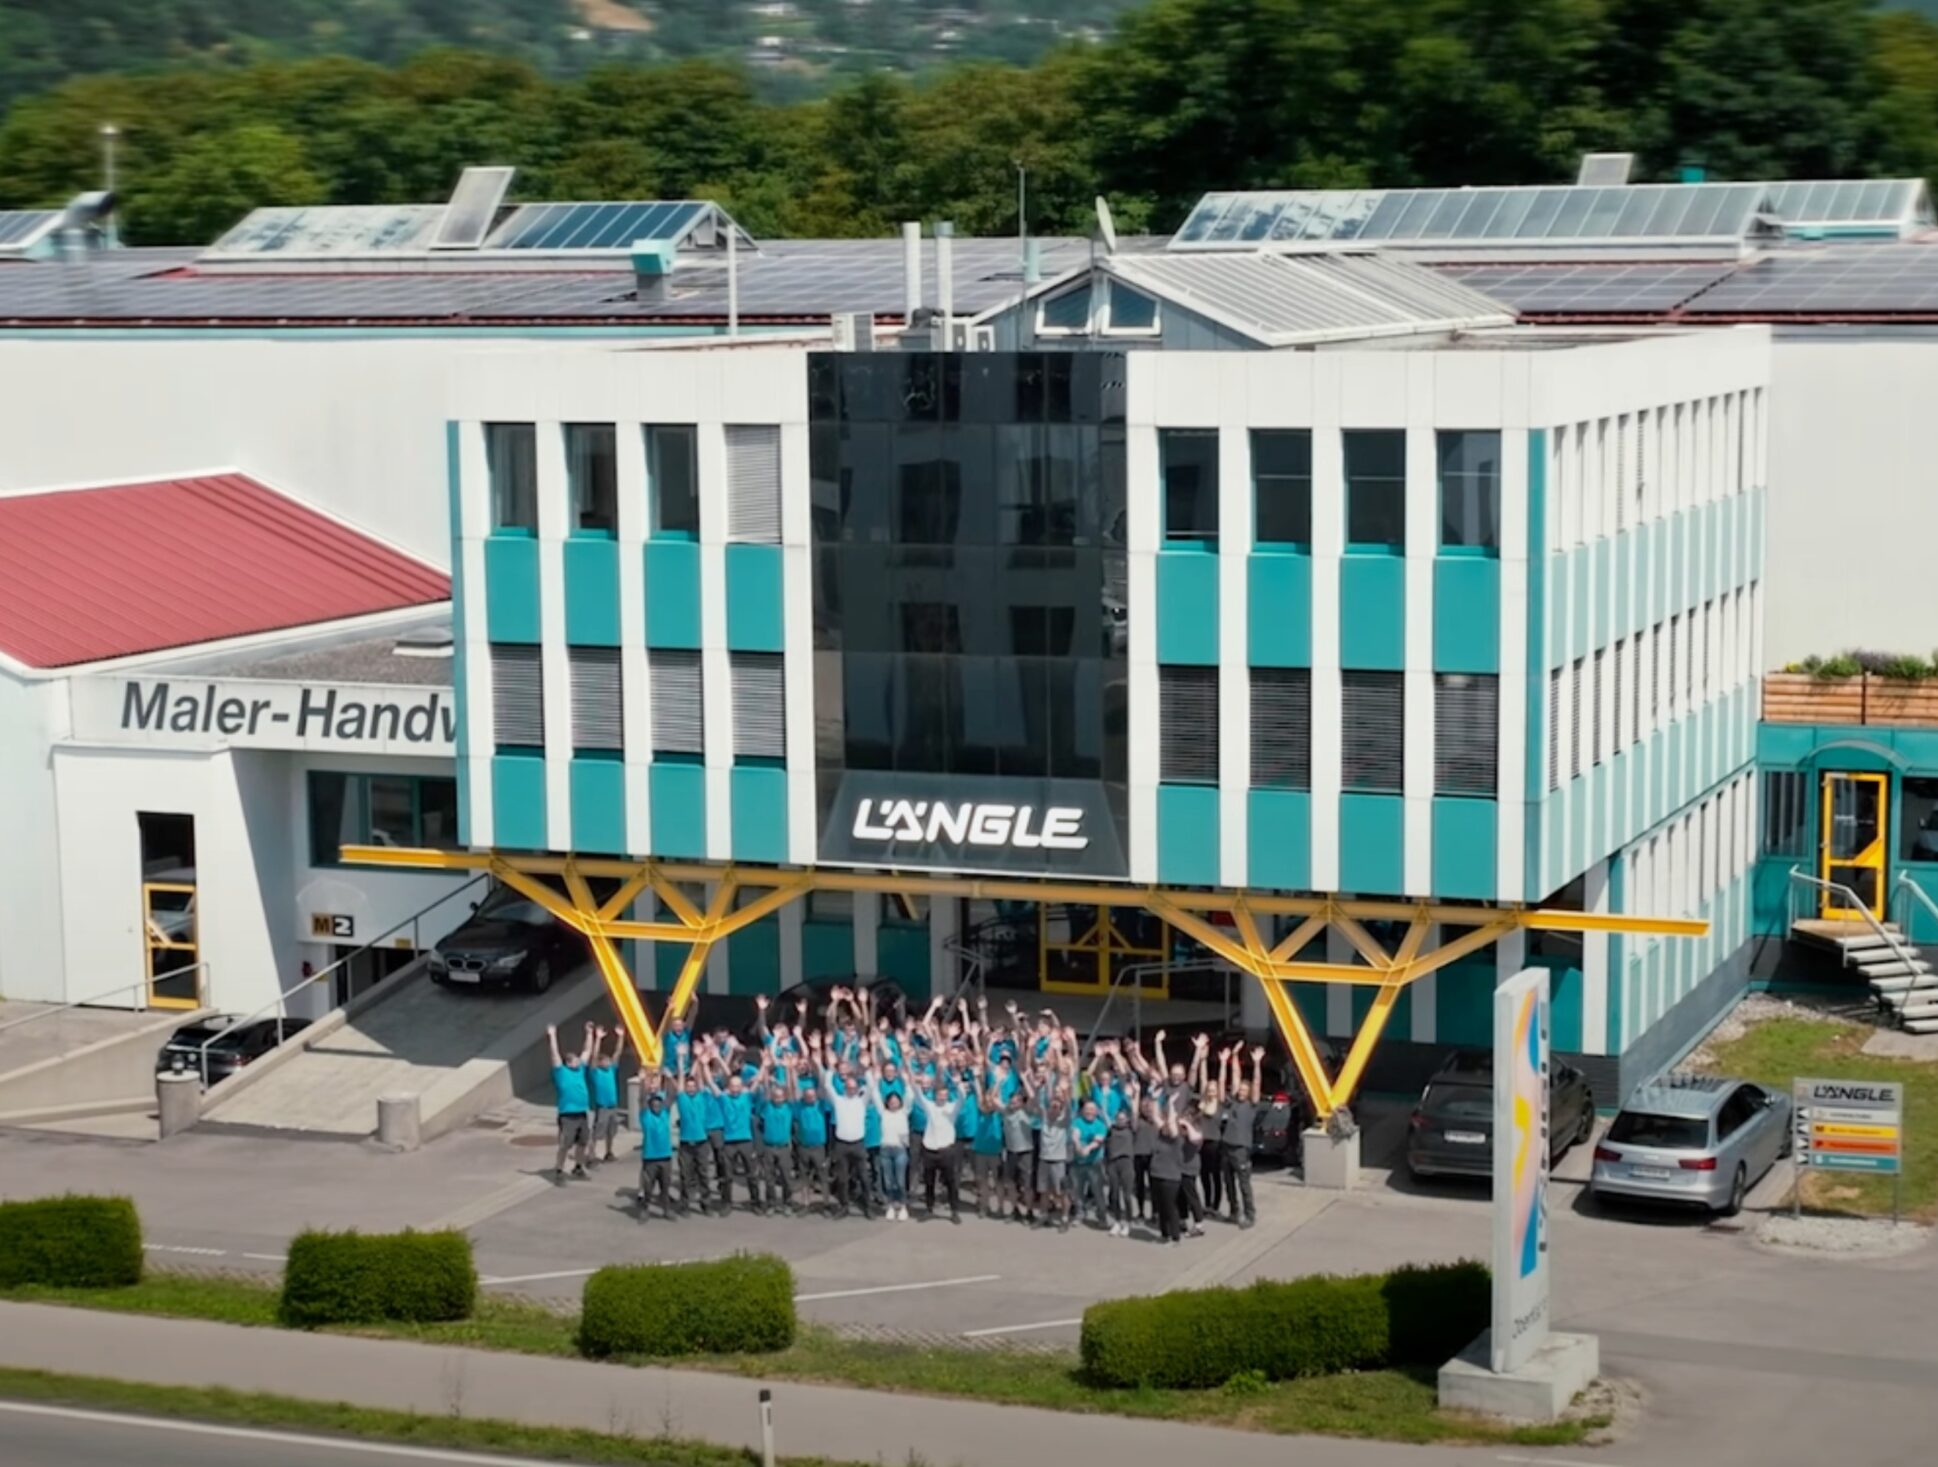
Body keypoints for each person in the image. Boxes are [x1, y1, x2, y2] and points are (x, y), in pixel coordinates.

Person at [815, 1033, 875, 1219]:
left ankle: (868, 1207)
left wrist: (865, 1068)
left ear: (857, 1088)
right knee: (842, 1179)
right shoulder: (838, 1101)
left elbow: (871, 1086)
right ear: (845, 1088)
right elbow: (827, 1085)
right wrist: (831, 1067)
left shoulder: (862, 1101)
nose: (851, 1089)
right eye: (848, 1087)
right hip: (841, 1144)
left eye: (853, 1087)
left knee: (864, 1177)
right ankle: (844, 1207)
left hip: (858, 1144)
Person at [702, 1044, 764, 1214]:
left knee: (751, 1174)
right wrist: (705, 1064)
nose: (735, 1089)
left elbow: (758, 1080)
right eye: (733, 1086)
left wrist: (765, 1065)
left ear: (741, 1086)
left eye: (738, 1086)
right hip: (729, 1142)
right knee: (727, 1176)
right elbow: (709, 1082)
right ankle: (726, 1203)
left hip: (746, 1141)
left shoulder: (746, 1096)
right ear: (728, 1087)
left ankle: (755, 1202)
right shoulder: (724, 1098)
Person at [547, 1022, 595, 1181]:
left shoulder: (581, 1069)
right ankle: (559, 1169)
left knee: (583, 1142)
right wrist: (552, 1035)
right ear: (568, 1062)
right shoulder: (560, 1071)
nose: (578, 1062)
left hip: (582, 1113)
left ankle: (578, 1167)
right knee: (565, 1144)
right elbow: (554, 1054)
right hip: (567, 1115)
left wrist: (589, 1033)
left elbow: (587, 1051)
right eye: (575, 1060)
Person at [1223, 1045, 1262, 1229]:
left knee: (1244, 1184)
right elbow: (1235, 1075)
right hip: (1226, 1146)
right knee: (1228, 1183)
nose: (1241, 1092)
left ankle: (1250, 1215)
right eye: (1240, 1089)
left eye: (1245, 1090)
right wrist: (1235, 1055)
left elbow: (1256, 1083)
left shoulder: (1252, 1104)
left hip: (1241, 1149)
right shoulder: (1232, 1101)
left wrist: (1257, 1064)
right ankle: (1234, 1211)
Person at [755, 1062, 797, 1215]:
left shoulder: (789, 1107)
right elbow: (766, 1089)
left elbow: (791, 1089)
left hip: (784, 1147)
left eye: (780, 1097)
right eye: (775, 1097)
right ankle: (771, 1204)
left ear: (784, 1097)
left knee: (786, 1178)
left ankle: (787, 1203)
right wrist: (765, 1068)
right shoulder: (767, 1107)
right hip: (769, 1147)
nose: (778, 1099)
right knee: (769, 1178)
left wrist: (788, 1069)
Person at [673, 1070, 713, 1214]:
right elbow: (680, 1085)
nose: (690, 1088)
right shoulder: (682, 1099)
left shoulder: (702, 1097)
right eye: (688, 1086)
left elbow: (701, 1080)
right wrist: (681, 1063)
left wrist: (700, 1062)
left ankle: (706, 1204)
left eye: (693, 1086)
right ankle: (684, 1204)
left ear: (697, 1087)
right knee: (685, 1176)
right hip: (686, 1144)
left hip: (701, 1143)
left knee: (703, 1175)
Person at [636, 1077, 675, 1221]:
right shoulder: (645, 1116)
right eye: (654, 1103)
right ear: (650, 1105)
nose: (657, 1105)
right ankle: (645, 1209)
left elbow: (671, 1096)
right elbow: (641, 1100)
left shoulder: (665, 1114)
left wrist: (668, 1078)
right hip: (650, 1158)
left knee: (665, 1186)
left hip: (666, 1157)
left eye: (659, 1103)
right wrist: (643, 1083)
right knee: (648, 1187)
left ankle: (667, 1210)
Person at [1149, 1093, 1186, 1246]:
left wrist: (1170, 1103)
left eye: (1168, 1124)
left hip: (1170, 1178)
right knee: (1161, 1208)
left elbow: (1170, 1122)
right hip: (1156, 1174)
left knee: (1170, 1207)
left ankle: (1175, 1237)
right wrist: (1155, 1098)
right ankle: (1165, 1235)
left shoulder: (1176, 1138)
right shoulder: (1161, 1133)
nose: (1164, 1125)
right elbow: (1154, 1116)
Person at [1103, 1079, 1138, 1237]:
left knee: (1127, 1195)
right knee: (1114, 1195)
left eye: (1123, 1118)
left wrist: (1134, 1095)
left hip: (1126, 1163)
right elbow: (1104, 1112)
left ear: (1127, 1120)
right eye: (1119, 1118)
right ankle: (1117, 1222)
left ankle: (1128, 1222)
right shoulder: (1111, 1129)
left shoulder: (1131, 1129)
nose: (1121, 1120)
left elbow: (1134, 1113)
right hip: (1112, 1163)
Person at [999, 1086, 1038, 1223]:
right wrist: (998, 1083)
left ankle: (1029, 1212)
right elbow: (994, 1100)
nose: (1013, 1104)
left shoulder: (1027, 1112)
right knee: (1011, 1184)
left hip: (1026, 1152)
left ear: (1021, 1103)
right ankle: (1014, 1210)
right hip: (1011, 1152)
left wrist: (1026, 1080)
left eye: (1016, 1101)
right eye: (1012, 1101)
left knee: (1027, 1185)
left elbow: (1032, 1098)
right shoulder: (1006, 1112)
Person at [874, 1079, 912, 1220]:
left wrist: (906, 1081)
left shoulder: (904, 1112)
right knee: (888, 1182)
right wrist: (875, 1080)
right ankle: (890, 1206)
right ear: (887, 1102)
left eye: (896, 1101)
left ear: (900, 1102)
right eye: (891, 1101)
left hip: (900, 1151)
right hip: (885, 1151)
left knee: (900, 1181)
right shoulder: (883, 1113)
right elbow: (875, 1095)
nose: (894, 1103)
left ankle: (903, 1207)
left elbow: (910, 1096)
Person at [1070, 1096, 1109, 1231]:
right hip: (1077, 1162)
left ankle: (1102, 1217)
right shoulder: (1077, 1122)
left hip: (1094, 1163)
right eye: (1087, 1109)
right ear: (1082, 1110)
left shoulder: (1100, 1125)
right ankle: (1080, 1214)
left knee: (1098, 1192)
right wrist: (1078, 1146)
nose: (1090, 1112)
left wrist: (1087, 1149)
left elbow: (1097, 1141)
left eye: (1092, 1109)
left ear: (1096, 1111)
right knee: (1077, 1191)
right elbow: (1075, 1135)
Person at [589, 1027, 626, 1165]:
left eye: (608, 1061)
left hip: (613, 1105)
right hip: (602, 1107)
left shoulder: (611, 1070)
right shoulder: (595, 1072)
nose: (608, 1063)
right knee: (597, 1132)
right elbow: (594, 1056)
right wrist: (598, 1039)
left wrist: (621, 1036)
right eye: (604, 1061)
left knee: (611, 1131)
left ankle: (609, 1152)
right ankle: (591, 1155)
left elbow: (618, 1052)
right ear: (599, 1063)